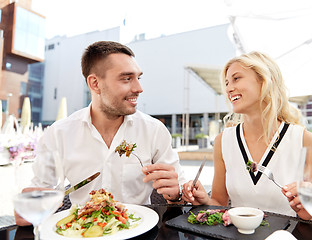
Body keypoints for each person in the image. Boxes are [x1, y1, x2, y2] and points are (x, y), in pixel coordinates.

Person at [15, 41, 186, 226]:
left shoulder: (154, 131)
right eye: (127, 78)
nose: (138, 88)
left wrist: (177, 194)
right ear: (95, 83)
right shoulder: (58, 134)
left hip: (139, 230)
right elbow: (38, 197)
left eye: (138, 78)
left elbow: (181, 196)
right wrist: (31, 209)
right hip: (81, 233)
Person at [182, 51, 312, 220]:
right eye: (226, 83)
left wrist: (309, 202)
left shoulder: (303, 139)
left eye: (236, 78)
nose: (228, 88)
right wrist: (204, 200)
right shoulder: (223, 141)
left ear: (264, 81)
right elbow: (219, 201)